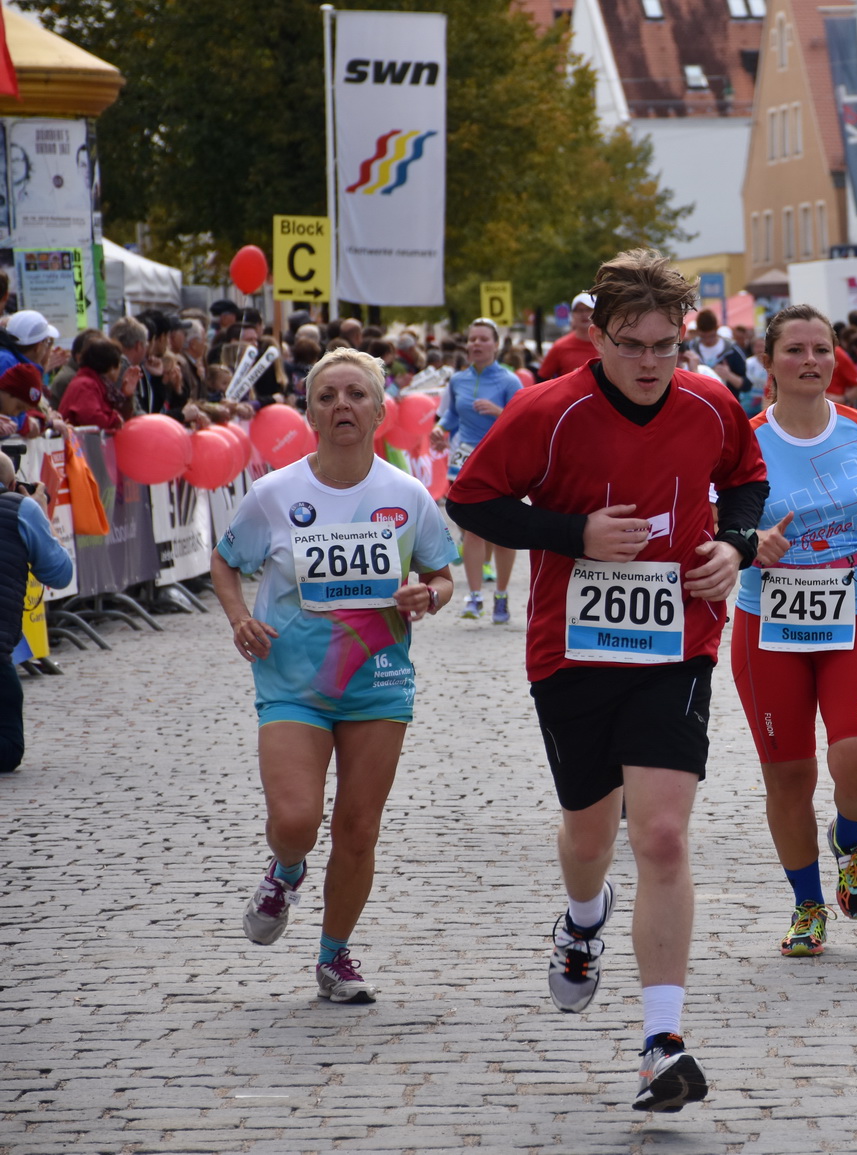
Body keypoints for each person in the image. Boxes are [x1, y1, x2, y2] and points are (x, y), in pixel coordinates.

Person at [445, 249, 767, 1113]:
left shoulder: (710, 401)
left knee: (661, 834)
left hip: (679, 643)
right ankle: (583, 918)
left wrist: (733, 547)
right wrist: (572, 532)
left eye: (668, 343)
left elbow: (745, 480)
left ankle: (662, 1042)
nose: (652, 361)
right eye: (633, 343)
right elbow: (471, 501)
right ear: (596, 335)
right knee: (588, 835)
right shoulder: (549, 411)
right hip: (572, 653)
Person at [211, 348, 458, 1003]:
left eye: (356, 394)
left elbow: (442, 574)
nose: (342, 404)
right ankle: (285, 868)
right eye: (327, 395)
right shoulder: (275, 494)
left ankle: (334, 955)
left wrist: (427, 597)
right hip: (292, 678)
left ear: (380, 412)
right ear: (310, 413)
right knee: (296, 817)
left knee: (357, 829)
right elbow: (224, 559)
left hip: (378, 680)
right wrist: (239, 617)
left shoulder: (407, 496)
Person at [731, 304, 857, 958]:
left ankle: (850, 837)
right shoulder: (744, 438)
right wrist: (750, 542)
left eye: (821, 350)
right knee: (790, 774)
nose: (810, 361)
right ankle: (807, 903)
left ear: (837, 356)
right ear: (769, 360)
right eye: (794, 350)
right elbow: (711, 523)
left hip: (853, 609)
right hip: (767, 622)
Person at [431, 319, 522, 623]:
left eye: (483, 339)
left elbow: (525, 421)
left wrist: (499, 412)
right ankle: (474, 596)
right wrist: (439, 428)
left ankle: (501, 595)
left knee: (504, 530)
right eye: (472, 340)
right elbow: (452, 416)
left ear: (496, 345)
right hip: (465, 456)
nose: (476, 345)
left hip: (500, 459)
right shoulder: (458, 380)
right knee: (471, 528)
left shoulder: (509, 381)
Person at [0, 454, 73, 772]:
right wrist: (38, 509)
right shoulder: (21, 508)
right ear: (13, 484)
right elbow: (59, 573)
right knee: (8, 751)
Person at [56, 336, 134, 431]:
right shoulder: (85, 385)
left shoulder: (97, 384)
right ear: (112, 367)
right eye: (119, 363)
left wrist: (127, 397)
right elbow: (94, 420)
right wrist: (116, 419)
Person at [538, 293, 599, 382]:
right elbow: (542, 379)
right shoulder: (560, 346)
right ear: (572, 314)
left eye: (588, 309)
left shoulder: (608, 344)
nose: (584, 314)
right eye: (579, 310)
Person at [686, 309, 747, 398]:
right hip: (698, 402)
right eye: (703, 337)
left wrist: (728, 375)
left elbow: (747, 385)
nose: (708, 341)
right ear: (698, 331)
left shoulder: (732, 349)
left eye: (711, 336)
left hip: (725, 403)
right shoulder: (689, 349)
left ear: (717, 328)